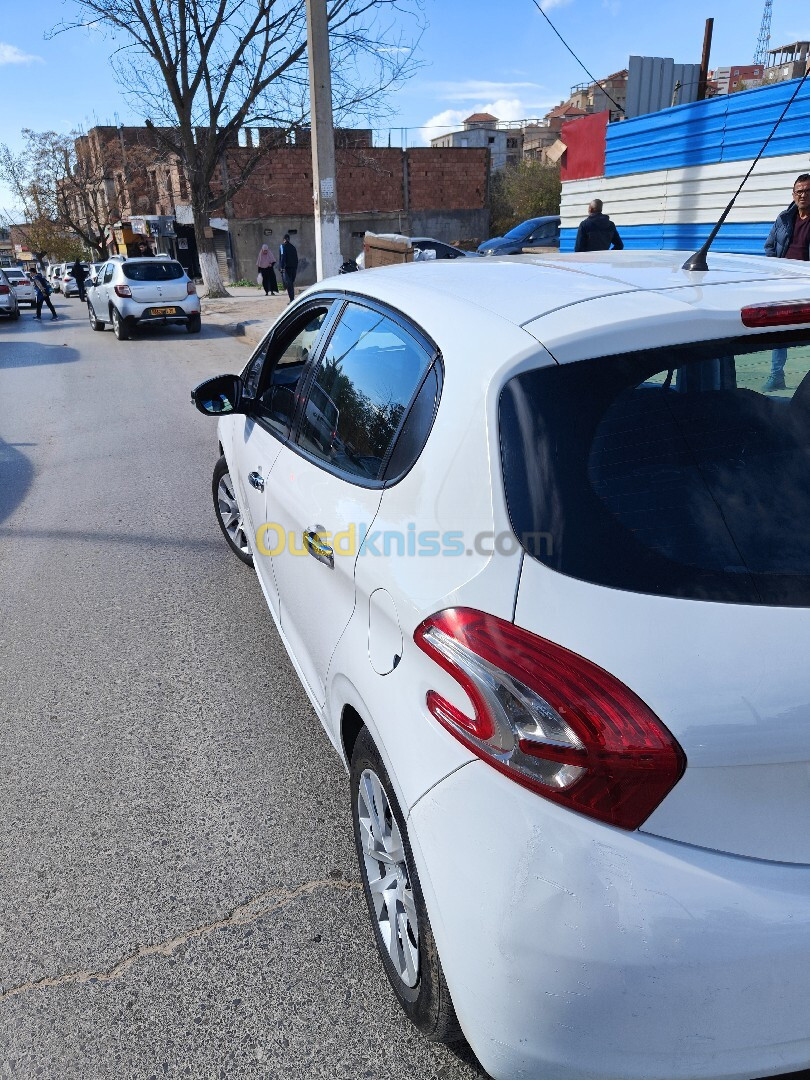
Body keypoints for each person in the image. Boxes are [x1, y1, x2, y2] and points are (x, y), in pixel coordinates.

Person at [763, 173, 810, 391]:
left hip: (807, 284)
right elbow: (769, 247)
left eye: (808, 191)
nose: (803, 195)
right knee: (780, 330)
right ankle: (776, 376)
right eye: (799, 191)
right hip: (784, 283)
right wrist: (776, 270)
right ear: (793, 194)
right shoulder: (783, 219)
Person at [278, 233, 298, 302]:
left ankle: (292, 299)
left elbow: (283, 256)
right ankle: (292, 298)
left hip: (286, 268)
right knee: (291, 283)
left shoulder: (282, 246)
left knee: (288, 284)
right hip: (293, 268)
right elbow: (296, 258)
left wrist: (281, 267)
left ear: (283, 240)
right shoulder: (293, 247)